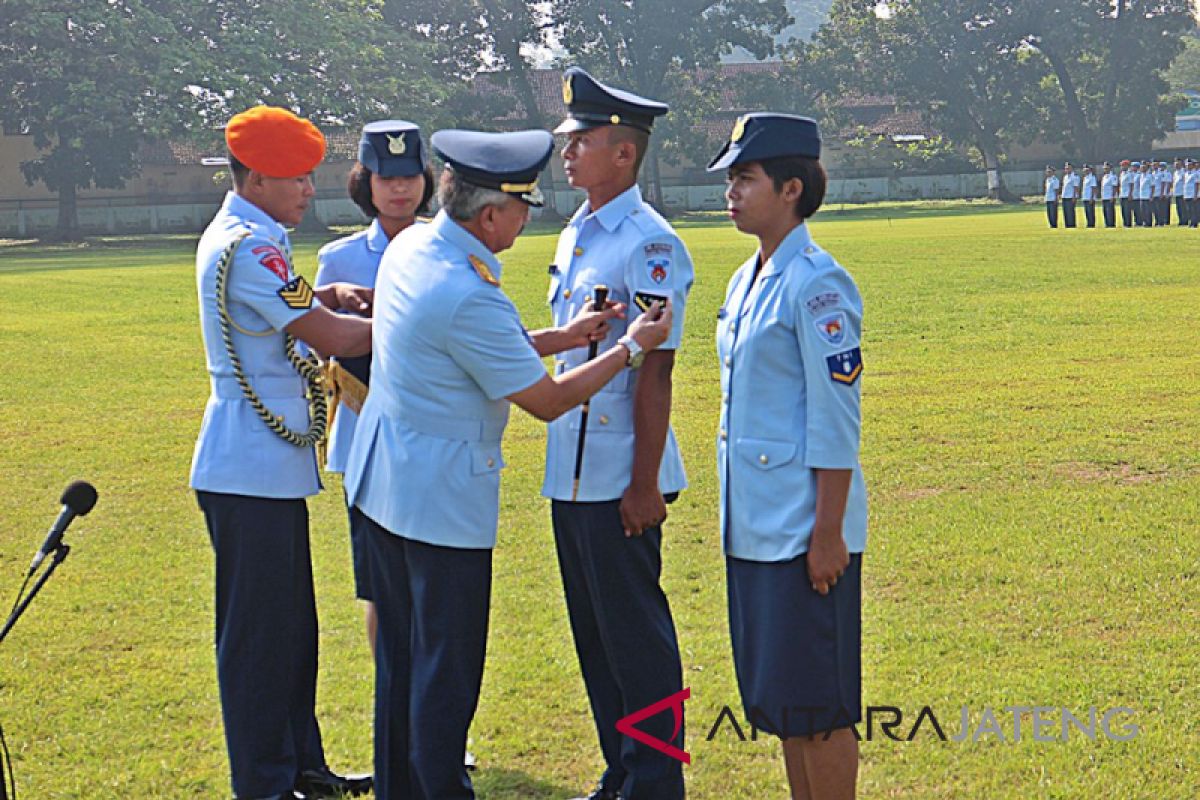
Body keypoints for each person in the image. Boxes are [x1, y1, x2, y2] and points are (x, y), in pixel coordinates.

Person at [341, 127, 675, 800]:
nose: (527, 221)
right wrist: (629, 348)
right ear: (490, 213)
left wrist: (566, 335)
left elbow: (468, 346)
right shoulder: (470, 292)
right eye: (524, 207)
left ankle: (403, 789)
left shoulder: (414, 247)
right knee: (447, 670)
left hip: (385, 487)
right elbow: (546, 399)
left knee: (403, 662)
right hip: (439, 508)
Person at [190, 105, 374, 800]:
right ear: (259, 176)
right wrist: (416, 313)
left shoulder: (252, 237)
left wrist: (328, 294)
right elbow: (330, 335)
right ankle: (266, 781)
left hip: (262, 465)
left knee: (290, 630)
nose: (309, 189)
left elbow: (295, 307)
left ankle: (301, 767)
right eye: (298, 178)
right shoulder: (253, 245)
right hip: (248, 467)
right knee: (260, 638)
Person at [545, 66, 693, 800]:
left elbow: (656, 371)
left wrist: (642, 482)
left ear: (624, 154)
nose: (566, 152)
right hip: (568, 471)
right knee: (595, 638)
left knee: (637, 639)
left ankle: (657, 780)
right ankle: (623, 769)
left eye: (581, 141)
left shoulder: (648, 242)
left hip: (620, 474)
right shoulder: (577, 232)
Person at [708, 112, 866, 800]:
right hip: (755, 528)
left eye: (746, 179)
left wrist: (828, 533)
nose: (731, 192)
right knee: (784, 704)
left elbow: (836, 420)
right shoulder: (748, 278)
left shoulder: (817, 285)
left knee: (820, 710)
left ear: (792, 188)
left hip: (804, 531)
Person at [315, 120, 434, 656]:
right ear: (366, 182)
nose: (400, 188)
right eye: (387, 177)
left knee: (434, 582)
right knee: (380, 588)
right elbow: (315, 349)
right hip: (366, 437)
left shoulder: (449, 247)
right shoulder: (338, 260)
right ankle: (395, 707)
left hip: (434, 435)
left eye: (410, 175)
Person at [1060, 162, 1079, 228]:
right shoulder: (1065, 177)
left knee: (1070, 212)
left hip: (1070, 197)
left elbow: (1076, 187)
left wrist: (1074, 197)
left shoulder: (1075, 177)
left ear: (1072, 169)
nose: (1067, 170)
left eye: (1068, 168)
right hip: (1064, 197)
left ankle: (1072, 225)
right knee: (1065, 212)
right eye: (1066, 168)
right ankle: (1067, 225)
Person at [1100, 162, 1118, 228]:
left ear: (1110, 168)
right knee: (1105, 211)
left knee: (1110, 211)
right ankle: (1107, 224)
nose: (1105, 170)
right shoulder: (1104, 177)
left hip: (1110, 197)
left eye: (1107, 168)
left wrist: (1113, 196)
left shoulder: (1113, 176)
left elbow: (1114, 187)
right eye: (1104, 168)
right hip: (1104, 196)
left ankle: (1111, 224)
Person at [1119, 160, 1135, 227]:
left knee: (1127, 210)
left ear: (1127, 166)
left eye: (1123, 165)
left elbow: (1131, 184)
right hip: (1122, 194)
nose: (1121, 167)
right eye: (1121, 165)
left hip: (1127, 194)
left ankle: (1128, 224)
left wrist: (1130, 194)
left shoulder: (1130, 174)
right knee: (1123, 210)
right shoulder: (1122, 174)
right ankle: (1125, 223)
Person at [1080, 164, 1097, 228]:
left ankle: (1091, 224)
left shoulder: (1092, 177)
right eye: (1084, 170)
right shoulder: (1085, 177)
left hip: (1090, 197)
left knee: (1090, 212)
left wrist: (1092, 198)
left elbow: (1093, 188)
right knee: (1087, 211)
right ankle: (1088, 223)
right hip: (1085, 197)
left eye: (1087, 170)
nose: (1085, 171)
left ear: (1090, 170)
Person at [1136, 161, 1153, 227]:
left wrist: (1151, 195)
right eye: (1141, 167)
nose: (1142, 168)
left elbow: (1152, 186)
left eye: (1144, 167)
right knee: (1142, 210)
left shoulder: (1150, 176)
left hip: (1147, 195)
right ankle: (1144, 222)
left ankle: (1149, 223)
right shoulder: (1141, 176)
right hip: (1141, 195)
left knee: (1148, 211)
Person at [1173, 158, 1186, 225]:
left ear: (1181, 164)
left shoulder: (1183, 172)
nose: (1176, 165)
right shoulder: (1175, 173)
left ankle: (1184, 221)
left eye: (1178, 164)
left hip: (1182, 193)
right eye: (1175, 164)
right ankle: (1180, 220)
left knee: (1183, 208)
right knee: (1178, 208)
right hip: (1177, 193)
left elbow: (1184, 183)